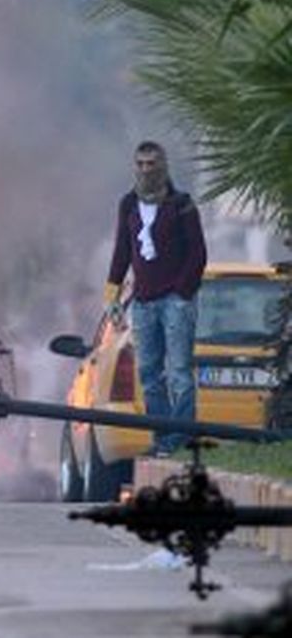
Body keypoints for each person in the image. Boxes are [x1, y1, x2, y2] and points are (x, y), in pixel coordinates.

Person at [105, 141, 208, 457]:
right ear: (135, 167)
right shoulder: (128, 205)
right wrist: (112, 295)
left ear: (163, 166)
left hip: (174, 301)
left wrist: (182, 292)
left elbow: (198, 253)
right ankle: (162, 440)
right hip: (143, 302)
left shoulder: (182, 204)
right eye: (141, 164)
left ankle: (183, 436)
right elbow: (123, 250)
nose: (146, 169)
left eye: (152, 163)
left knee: (179, 371)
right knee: (149, 373)